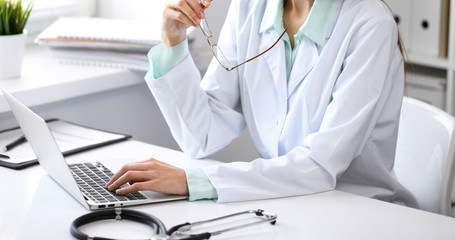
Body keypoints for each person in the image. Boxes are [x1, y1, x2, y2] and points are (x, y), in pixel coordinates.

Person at [106, 0, 419, 207]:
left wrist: (195, 181)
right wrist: (173, 42)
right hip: (282, 202)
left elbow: (320, 167)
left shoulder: (369, 23)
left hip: (357, 210)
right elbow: (201, 136)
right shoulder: (251, 6)